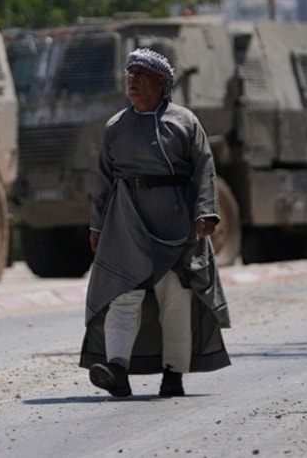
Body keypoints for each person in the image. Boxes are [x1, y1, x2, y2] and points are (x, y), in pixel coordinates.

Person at [80, 47, 231, 398]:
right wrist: (97, 225)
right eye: (129, 73)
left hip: (176, 223)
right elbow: (103, 179)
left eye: (142, 74)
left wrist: (205, 211)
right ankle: (116, 368)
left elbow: (204, 168)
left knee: (175, 299)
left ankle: (173, 374)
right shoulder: (115, 127)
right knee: (122, 294)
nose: (132, 79)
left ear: (162, 83)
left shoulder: (185, 122)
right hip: (126, 221)